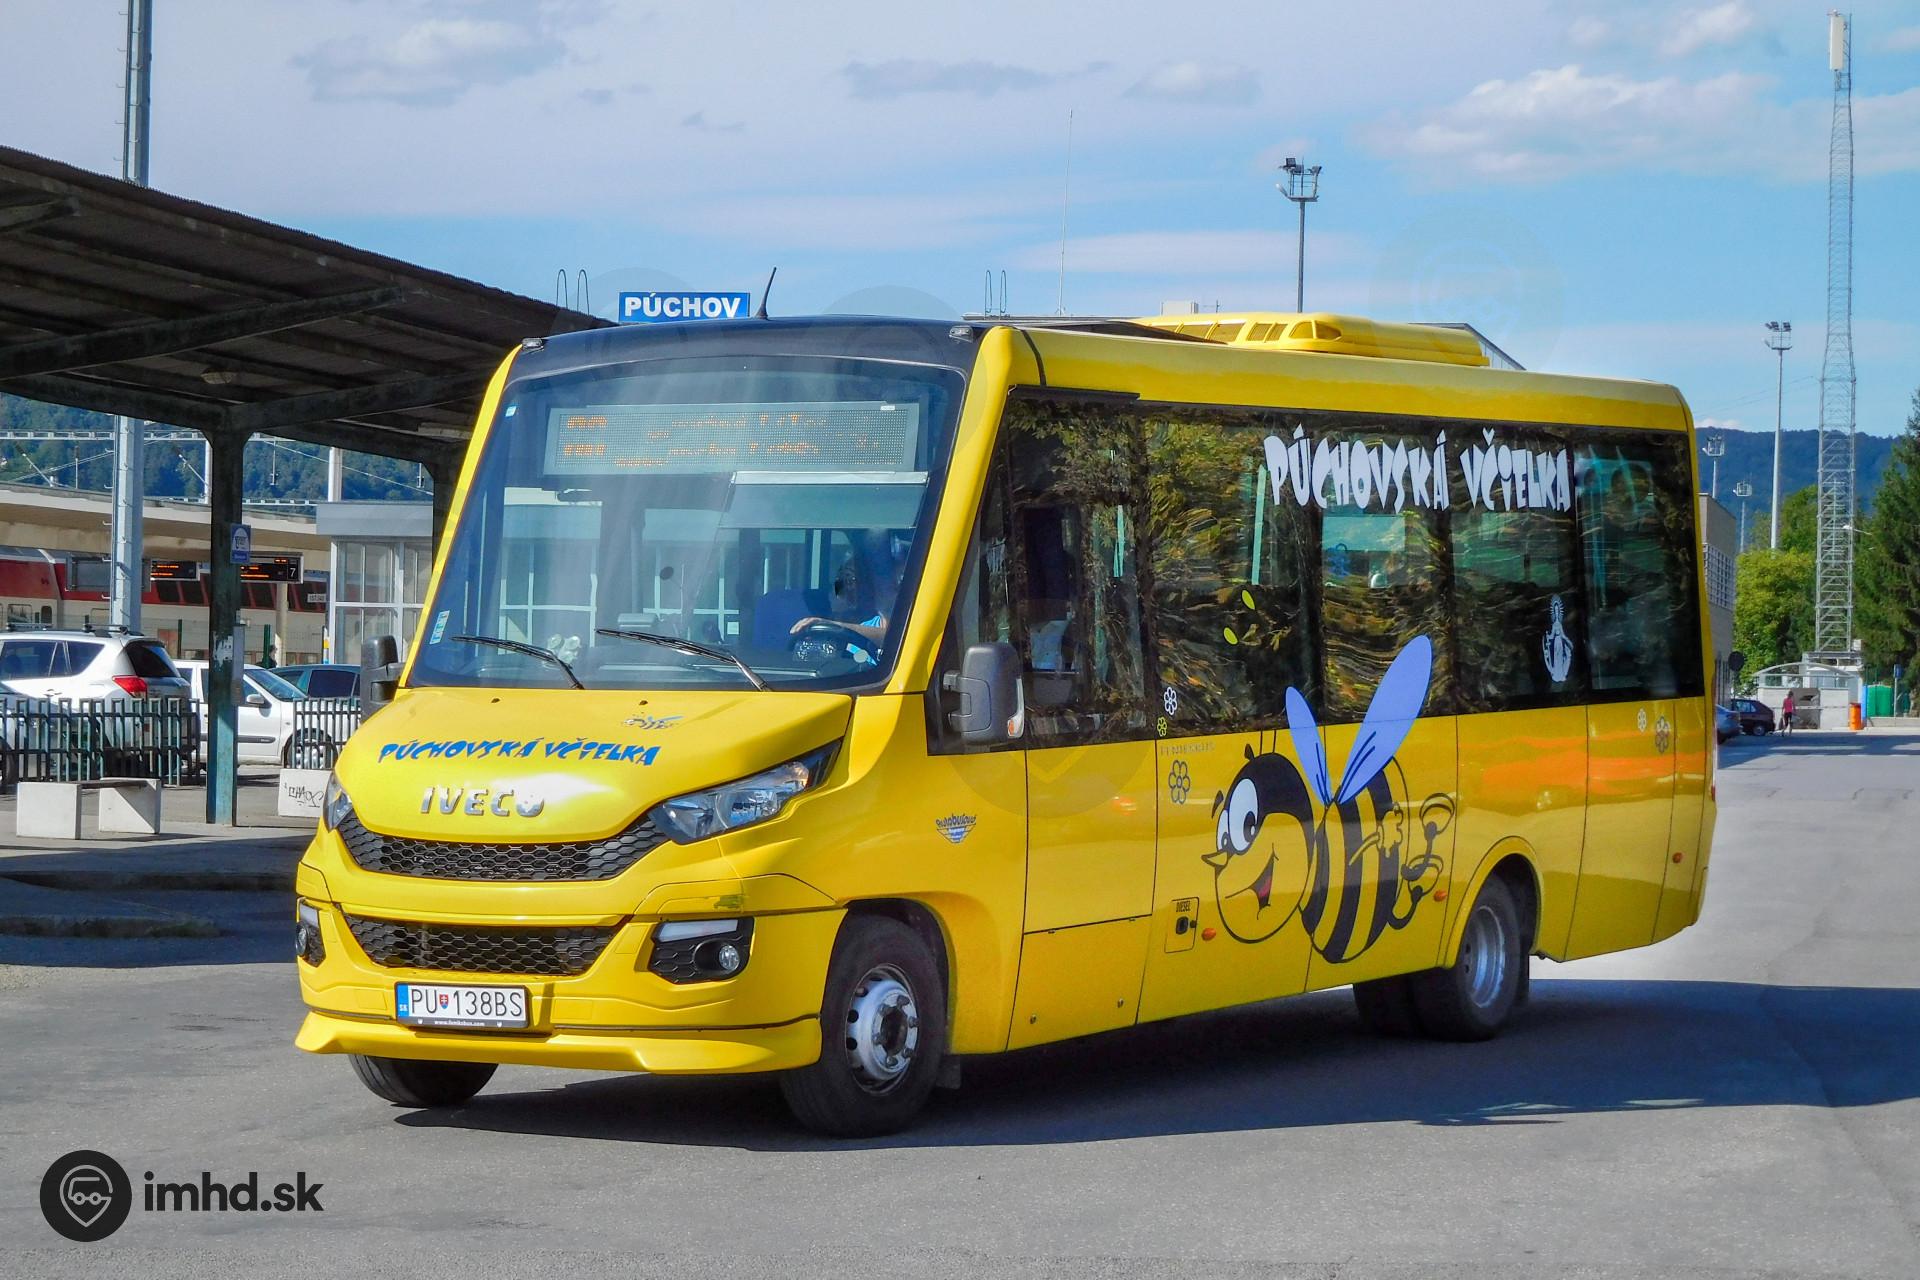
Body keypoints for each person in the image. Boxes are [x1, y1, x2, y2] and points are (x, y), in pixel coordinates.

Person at [790, 535, 905, 666]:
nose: (844, 586)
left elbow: (897, 639)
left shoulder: (916, 626)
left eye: (852, 579)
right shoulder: (863, 627)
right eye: (843, 579)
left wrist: (838, 627)